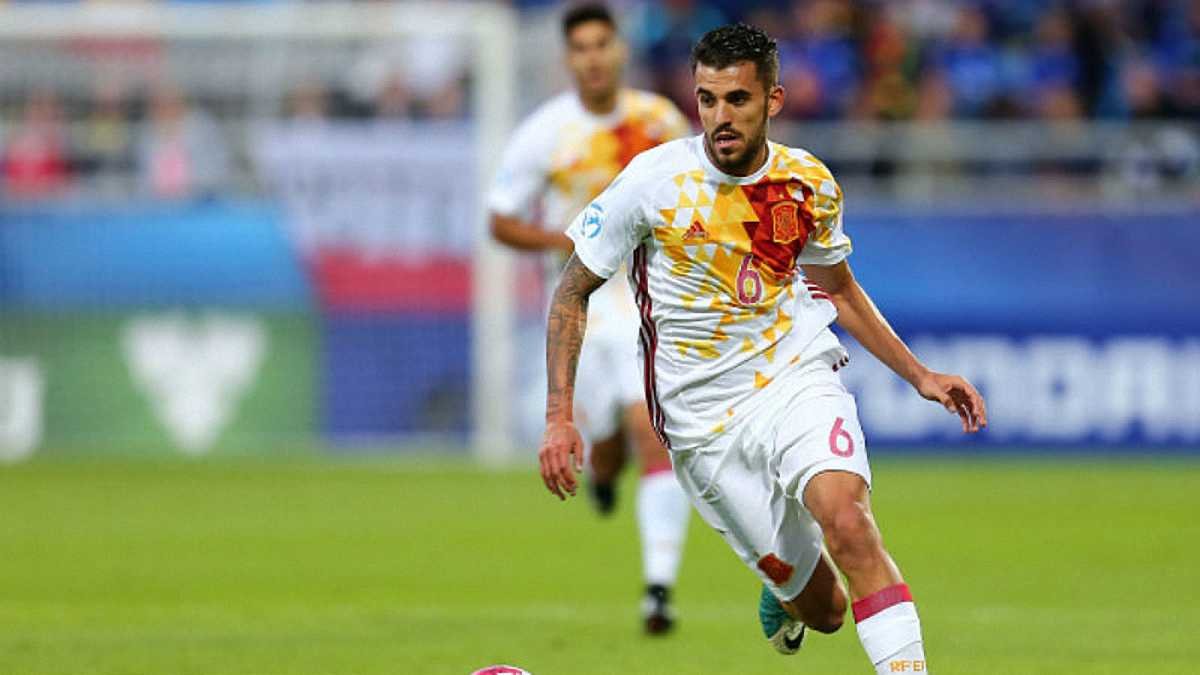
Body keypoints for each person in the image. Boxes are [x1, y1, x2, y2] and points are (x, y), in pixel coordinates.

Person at [539, 23, 987, 674]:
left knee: (850, 524)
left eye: (738, 100)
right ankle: (788, 597)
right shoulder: (653, 182)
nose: (720, 117)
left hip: (793, 378)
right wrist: (559, 415)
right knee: (825, 610)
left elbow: (838, 288)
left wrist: (919, 374)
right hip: (700, 424)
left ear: (772, 99)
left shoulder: (806, 183)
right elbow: (571, 290)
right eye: (707, 99)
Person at [486, 3, 694, 635]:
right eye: (581, 48)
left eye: (603, 44)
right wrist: (572, 244)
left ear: (620, 50)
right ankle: (605, 471)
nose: (594, 57)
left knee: (652, 430)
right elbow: (500, 220)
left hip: (649, 296)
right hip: (585, 300)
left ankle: (658, 590)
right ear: (568, 58)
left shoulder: (659, 120)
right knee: (606, 441)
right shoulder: (545, 133)